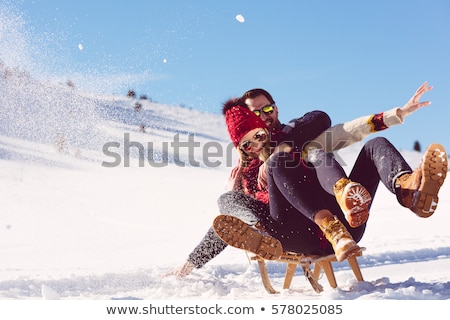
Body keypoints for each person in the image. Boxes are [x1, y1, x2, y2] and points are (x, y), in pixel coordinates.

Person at [166, 82, 447, 278]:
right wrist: (189, 265)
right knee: (226, 198)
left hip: (347, 226)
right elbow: (225, 227)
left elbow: (343, 129)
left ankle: (409, 190)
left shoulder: (299, 134)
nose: (264, 117)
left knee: (374, 145)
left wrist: (396, 114)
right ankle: (260, 232)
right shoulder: (244, 172)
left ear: (275, 108)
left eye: (268, 109)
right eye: (255, 114)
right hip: (292, 235)